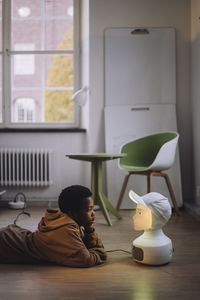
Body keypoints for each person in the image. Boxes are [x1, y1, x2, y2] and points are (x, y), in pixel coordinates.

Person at [0, 185, 107, 267]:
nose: (93, 213)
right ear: (73, 213)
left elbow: (84, 247)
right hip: (6, 244)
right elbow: (86, 260)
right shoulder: (66, 229)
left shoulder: (65, 219)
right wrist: (99, 250)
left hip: (12, 236)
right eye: (88, 209)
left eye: (93, 209)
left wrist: (89, 229)